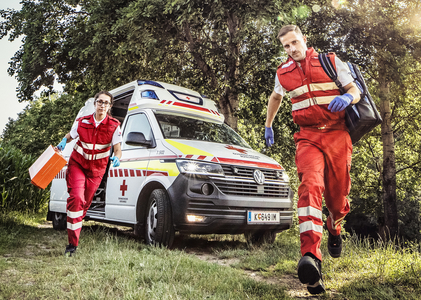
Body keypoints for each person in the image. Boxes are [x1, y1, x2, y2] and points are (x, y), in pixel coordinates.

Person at [264, 25, 360, 294]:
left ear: (304, 40)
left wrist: (347, 97)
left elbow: (355, 90)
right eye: (286, 46)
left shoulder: (330, 61)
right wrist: (268, 124)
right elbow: (276, 96)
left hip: (337, 135)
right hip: (307, 138)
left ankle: (334, 225)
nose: (292, 49)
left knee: (338, 200)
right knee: (310, 187)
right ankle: (311, 259)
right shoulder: (282, 72)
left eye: (295, 42)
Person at [56, 90, 122, 257]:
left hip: (96, 171)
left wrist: (117, 158)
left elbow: (117, 149)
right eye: (100, 102)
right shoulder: (82, 121)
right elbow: (70, 135)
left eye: (106, 103)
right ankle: (72, 245)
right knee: (76, 199)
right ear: (95, 103)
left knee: (83, 205)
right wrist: (64, 141)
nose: (102, 105)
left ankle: (76, 221)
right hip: (78, 164)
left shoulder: (114, 125)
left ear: (110, 106)